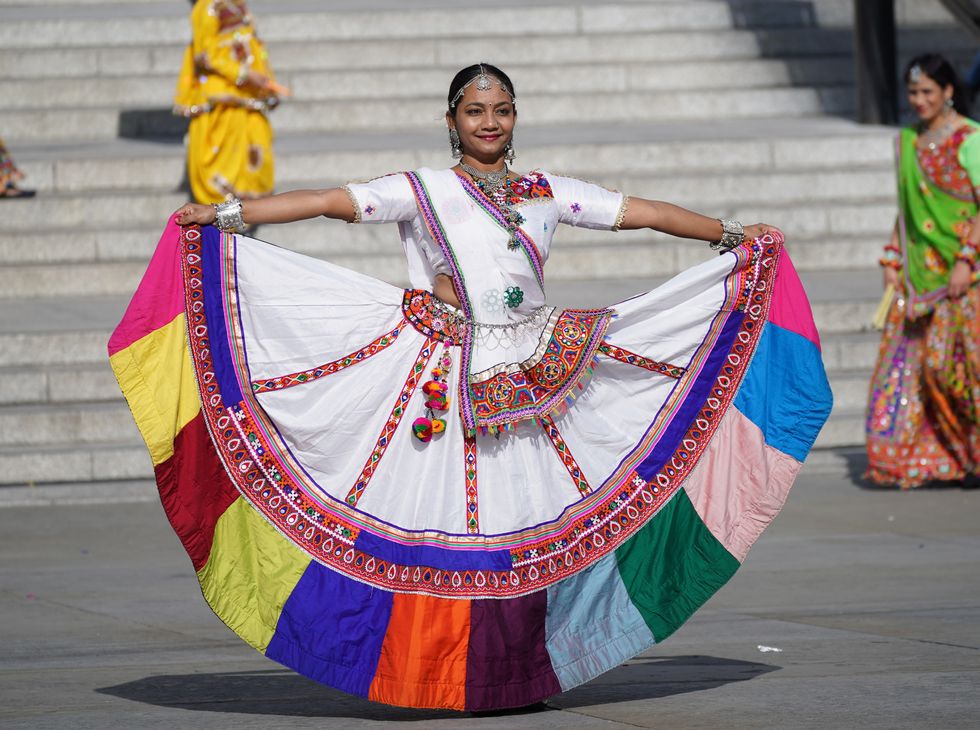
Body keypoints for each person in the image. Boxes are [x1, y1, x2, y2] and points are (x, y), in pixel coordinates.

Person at [110, 64, 832, 711]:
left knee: (522, 524)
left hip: (532, 379)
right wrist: (230, 216)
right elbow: (331, 201)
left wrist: (730, 234)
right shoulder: (421, 190)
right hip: (438, 384)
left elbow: (638, 212)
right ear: (451, 119)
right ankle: (432, 670)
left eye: (503, 109)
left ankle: (512, 672)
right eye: (476, 110)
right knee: (449, 527)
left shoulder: (547, 193)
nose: (490, 122)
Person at [866, 54, 980, 490]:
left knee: (958, 372)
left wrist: (967, 259)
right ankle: (929, 462)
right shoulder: (907, 142)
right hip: (920, 280)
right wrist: (893, 259)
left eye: (928, 91)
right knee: (908, 376)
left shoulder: (971, 139)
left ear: (949, 92)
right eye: (913, 92)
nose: (919, 100)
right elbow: (908, 213)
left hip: (965, 277)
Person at [173, 0, 283, 204]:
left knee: (255, 153)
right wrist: (244, 73)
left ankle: (245, 213)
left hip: (249, 96)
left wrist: (265, 77)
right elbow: (205, 56)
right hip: (221, 98)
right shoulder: (205, 8)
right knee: (223, 161)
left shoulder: (237, 3)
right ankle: (226, 218)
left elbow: (254, 44)